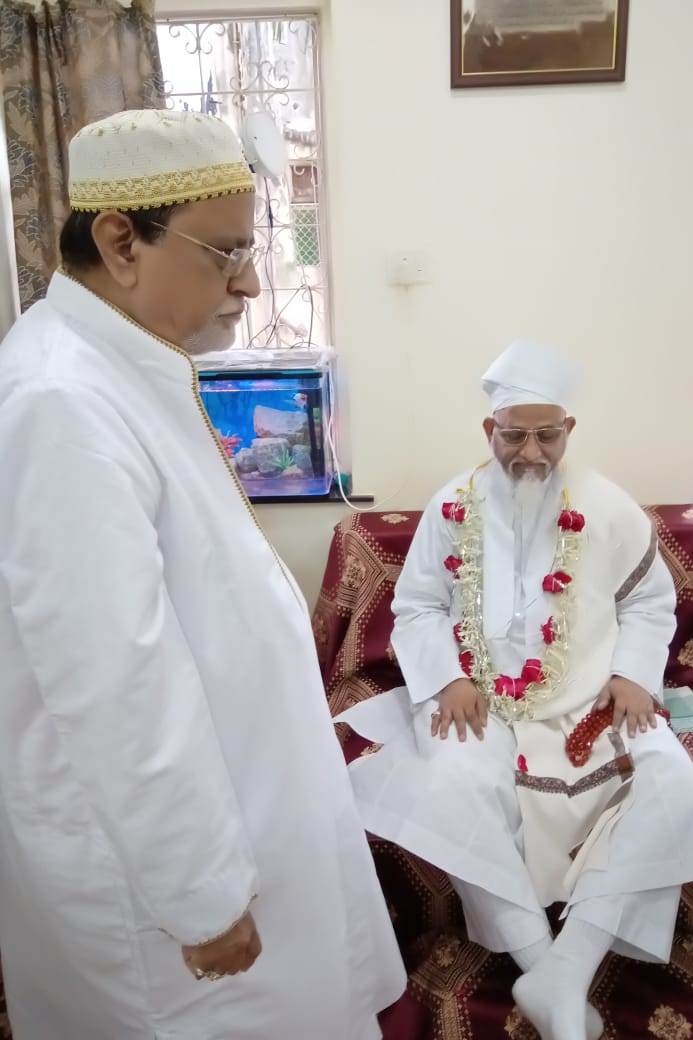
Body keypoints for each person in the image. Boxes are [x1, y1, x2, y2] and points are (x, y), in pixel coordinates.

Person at [0, 108, 405, 1040]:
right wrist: (200, 892)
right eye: (226, 253)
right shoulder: (59, 400)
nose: (252, 282)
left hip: (243, 816)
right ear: (121, 242)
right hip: (169, 892)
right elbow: (116, 683)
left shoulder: (125, 366)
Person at [337, 340, 693, 1040]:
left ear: (568, 429)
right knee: (450, 782)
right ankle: (538, 959)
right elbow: (417, 606)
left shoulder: (606, 505)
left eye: (546, 435)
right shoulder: (452, 505)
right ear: (488, 430)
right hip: (481, 704)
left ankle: (567, 966)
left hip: (593, 702)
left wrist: (631, 674)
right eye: (513, 435)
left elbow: (649, 601)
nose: (530, 452)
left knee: (674, 782)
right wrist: (447, 678)